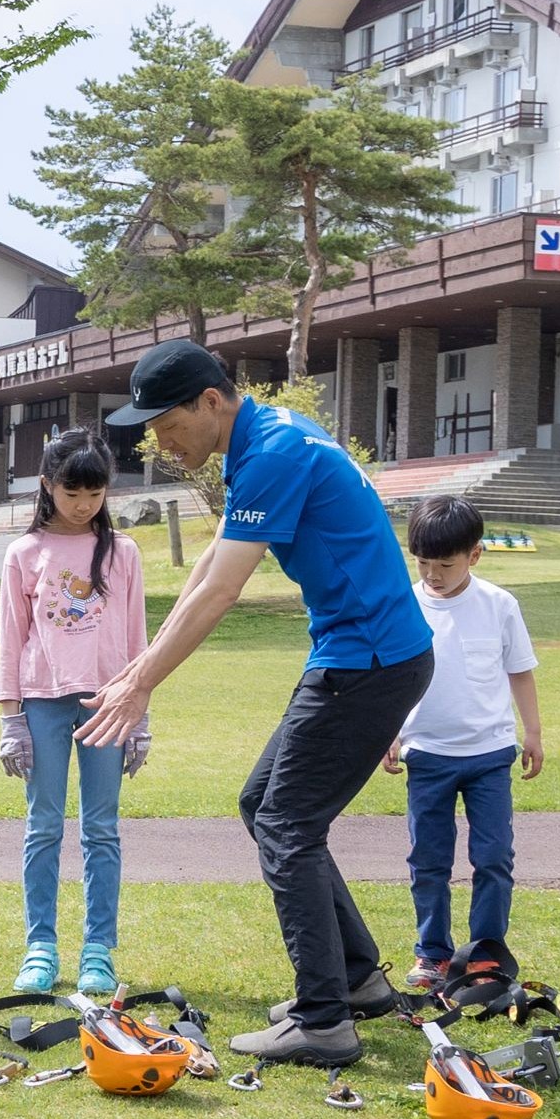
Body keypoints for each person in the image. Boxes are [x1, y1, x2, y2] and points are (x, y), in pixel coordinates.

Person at [79, 343, 432, 1066]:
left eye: (167, 424)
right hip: (362, 653)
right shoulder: (265, 437)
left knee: (286, 822)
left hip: (369, 660)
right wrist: (142, 663)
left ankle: (323, 1019)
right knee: (264, 804)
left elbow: (222, 591)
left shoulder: (272, 450)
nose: (161, 443)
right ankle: (358, 979)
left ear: (211, 400)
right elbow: (213, 560)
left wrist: (143, 682)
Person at [0, 432, 149, 998]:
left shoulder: (123, 552)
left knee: (102, 830)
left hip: (109, 705)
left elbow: (137, 637)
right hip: (42, 702)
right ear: (47, 485)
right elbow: (11, 642)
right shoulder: (24, 553)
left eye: (95, 491)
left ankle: (98, 951)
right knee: (43, 826)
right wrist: (11, 719)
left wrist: (141, 712)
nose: (84, 503)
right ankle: (40, 946)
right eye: (72, 491)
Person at [379, 495, 542, 996]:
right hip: (427, 754)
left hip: (491, 754)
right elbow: (388, 675)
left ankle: (487, 953)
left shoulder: (499, 605)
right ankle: (432, 953)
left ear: (474, 555)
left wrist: (532, 732)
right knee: (428, 859)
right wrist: (387, 730)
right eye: (423, 562)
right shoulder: (403, 606)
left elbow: (520, 670)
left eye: (445, 564)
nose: (433, 573)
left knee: (493, 856)